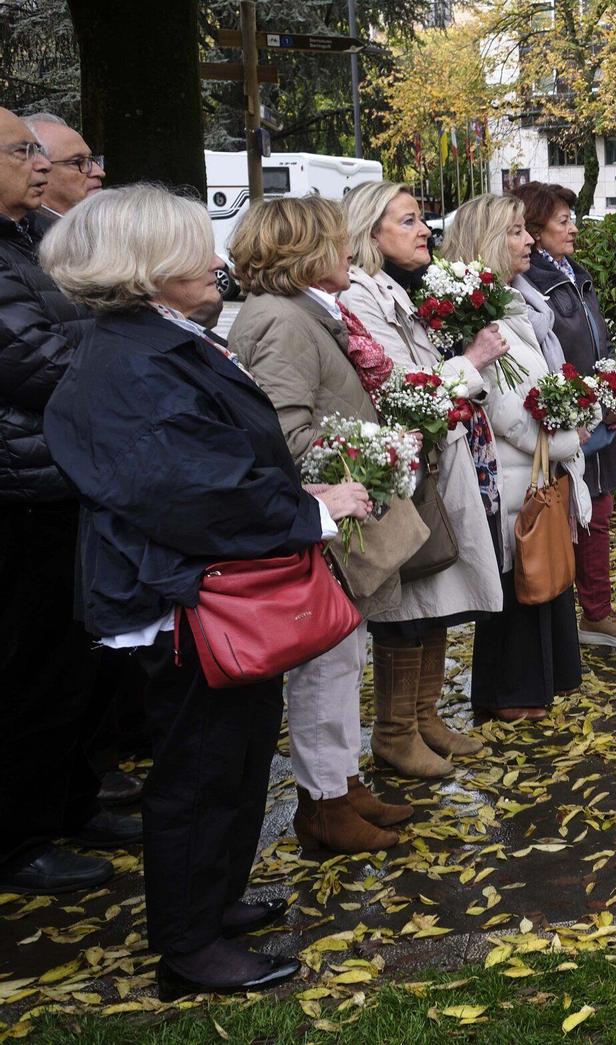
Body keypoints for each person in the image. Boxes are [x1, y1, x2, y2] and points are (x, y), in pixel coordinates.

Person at [41, 185, 373, 995]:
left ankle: (214, 903)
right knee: (198, 768)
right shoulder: (131, 360)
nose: (217, 259)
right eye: (197, 246)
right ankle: (189, 945)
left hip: (209, 594)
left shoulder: (160, 340)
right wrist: (309, 510)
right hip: (182, 598)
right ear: (149, 267)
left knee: (234, 756)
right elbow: (193, 488)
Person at [225, 197, 414, 851]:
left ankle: (341, 783)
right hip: (322, 523)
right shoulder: (282, 320)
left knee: (342, 660)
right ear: (303, 250)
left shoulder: (302, 313)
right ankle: (323, 803)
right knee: (324, 665)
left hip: (338, 518)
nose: (348, 253)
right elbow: (283, 430)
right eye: (336, 242)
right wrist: (371, 462)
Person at [0, 108, 131, 897]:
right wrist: (117, 343)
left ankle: (70, 804)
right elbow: (34, 362)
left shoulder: (25, 243)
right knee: (29, 671)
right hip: (20, 494)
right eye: (23, 152)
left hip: (58, 480)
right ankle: (18, 837)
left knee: (74, 665)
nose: (40, 165)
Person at [340, 183, 507, 771]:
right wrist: (474, 361)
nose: (423, 231)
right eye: (408, 220)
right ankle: (395, 730)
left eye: (421, 220)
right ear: (370, 231)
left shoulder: (399, 291)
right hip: (409, 471)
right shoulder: (361, 297)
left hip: (436, 463)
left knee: (436, 594)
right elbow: (402, 391)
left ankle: (424, 716)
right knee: (409, 599)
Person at [444, 195, 593, 723]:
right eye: (514, 233)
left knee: (533, 581)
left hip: (523, 476)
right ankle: (512, 697)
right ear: (488, 241)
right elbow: (510, 412)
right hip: (510, 480)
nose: (528, 239)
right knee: (520, 585)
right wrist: (572, 434)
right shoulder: (483, 316)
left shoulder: (510, 301)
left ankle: (530, 690)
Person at [518, 182, 616, 649]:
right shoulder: (529, 280)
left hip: (597, 415)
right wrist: (579, 403)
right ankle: (579, 615)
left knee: (600, 510)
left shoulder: (576, 270)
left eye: (573, 218)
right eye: (563, 221)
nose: (573, 228)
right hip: (568, 418)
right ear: (535, 229)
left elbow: (599, 340)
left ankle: (595, 612)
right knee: (570, 518)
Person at [21, 113, 104, 219]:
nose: (100, 172)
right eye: (78, 162)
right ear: (38, 170)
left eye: (92, 160)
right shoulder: (22, 233)